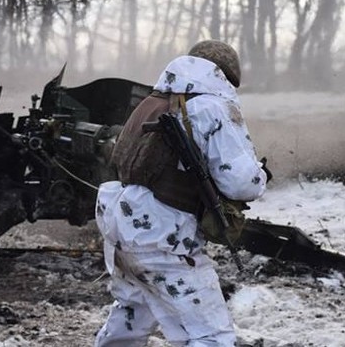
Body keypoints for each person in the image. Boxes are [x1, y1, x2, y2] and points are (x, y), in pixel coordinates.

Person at [94, 40, 269, 346]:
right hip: (164, 237)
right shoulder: (212, 107)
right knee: (212, 336)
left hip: (121, 226)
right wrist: (261, 175)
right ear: (223, 76)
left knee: (132, 316)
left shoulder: (150, 102)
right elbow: (242, 182)